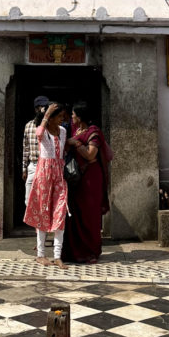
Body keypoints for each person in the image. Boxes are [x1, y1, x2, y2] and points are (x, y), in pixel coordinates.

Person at [61, 102, 112, 265]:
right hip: (77, 180)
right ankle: (75, 252)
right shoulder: (76, 131)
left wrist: (76, 143)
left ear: (80, 117)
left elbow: (91, 155)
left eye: (74, 114)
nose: (72, 117)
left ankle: (90, 252)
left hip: (91, 178)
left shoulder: (93, 132)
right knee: (75, 214)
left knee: (89, 214)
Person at [24, 103, 68, 268]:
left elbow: (62, 150)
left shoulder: (63, 132)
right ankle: (41, 254)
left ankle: (57, 256)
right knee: (42, 214)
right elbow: (39, 133)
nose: (62, 120)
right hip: (43, 176)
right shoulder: (43, 130)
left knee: (60, 214)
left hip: (58, 176)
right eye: (59, 116)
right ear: (50, 118)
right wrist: (47, 114)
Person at [22, 95, 49, 207]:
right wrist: (24, 168)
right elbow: (26, 148)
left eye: (45, 107)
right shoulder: (28, 126)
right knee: (29, 202)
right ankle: (36, 225)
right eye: (41, 107)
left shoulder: (51, 125)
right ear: (36, 109)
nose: (43, 109)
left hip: (47, 166)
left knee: (45, 200)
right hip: (33, 165)